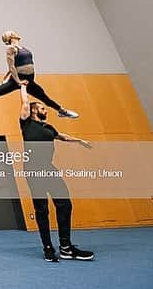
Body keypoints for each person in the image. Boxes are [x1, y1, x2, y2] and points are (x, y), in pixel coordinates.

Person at [19, 84, 94, 262]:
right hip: (33, 171)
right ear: (33, 111)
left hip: (48, 169)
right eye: (43, 108)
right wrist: (23, 87)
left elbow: (62, 136)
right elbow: (24, 102)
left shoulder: (49, 128)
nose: (46, 110)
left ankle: (66, 248)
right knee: (42, 209)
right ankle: (47, 248)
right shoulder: (26, 124)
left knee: (65, 204)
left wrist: (80, 140)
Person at [0, 30, 79, 119]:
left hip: (29, 80)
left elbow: (24, 64)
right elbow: (12, 67)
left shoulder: (23, 48)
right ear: (10, 37)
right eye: (13, 32)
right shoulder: (11, 48)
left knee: (44, 97)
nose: (16, 33)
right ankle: (0, 85)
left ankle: (62, 111)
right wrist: (18, 82)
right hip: (19, 80)